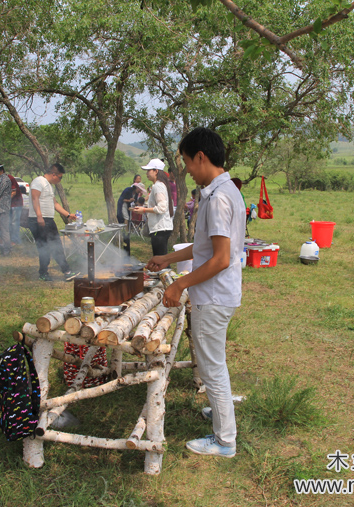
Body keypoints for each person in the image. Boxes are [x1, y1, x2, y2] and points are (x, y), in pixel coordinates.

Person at [146, 127, 245, 458]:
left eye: (187, 161)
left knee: (211, 366)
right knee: (214, 362)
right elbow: (203, 249)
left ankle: (224, 440)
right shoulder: (226, 190)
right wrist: (167, 259)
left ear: (201, 157)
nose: (187, 169)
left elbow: (220, 259)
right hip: (221, 294)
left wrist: (179, 283)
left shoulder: (218, 199)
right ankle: (220, 413)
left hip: (214, 297)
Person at [28, 163, 78, 282]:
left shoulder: (49, 186)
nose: (60, 180)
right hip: (39, 220)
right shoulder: (39, 181)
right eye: (60, 177)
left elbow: (55, 204)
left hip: (48, 220)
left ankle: (62, 272)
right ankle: (50, 273)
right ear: (53, 174)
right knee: (46, 247)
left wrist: (68, 215)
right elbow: (35, 198)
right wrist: (39, 216)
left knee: (54, 246)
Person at [132, 158, 173, 256]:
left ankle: (166, 271)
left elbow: (162, 208)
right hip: (162, 228)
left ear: (156, 171)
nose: (147, 173)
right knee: (161, 259)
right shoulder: (159, 185)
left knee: (160, 260)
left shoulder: (158, 186)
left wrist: (144, 209)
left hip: (159, 229)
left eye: (149, 170)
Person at [6, 171, 24, 246]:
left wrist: (5, 201)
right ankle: (10, 240)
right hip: (9, 205)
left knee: (14, 223)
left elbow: (13, 192)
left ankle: (15, 241)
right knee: (9, 222)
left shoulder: (9, 178)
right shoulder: (0, 180)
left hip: (16, 204)